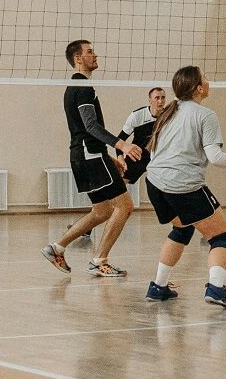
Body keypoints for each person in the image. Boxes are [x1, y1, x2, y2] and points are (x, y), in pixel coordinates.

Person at [141, 66, 226, 308]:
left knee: (182, 229)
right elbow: (215, 157)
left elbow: (154, 151)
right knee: (222, 237)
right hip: (182, 185)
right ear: (198, 88)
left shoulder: (168, 112)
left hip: (154, 183)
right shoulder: (205, 115)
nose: (209, 80)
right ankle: (216, 289)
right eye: (205, 77)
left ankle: (158, 287)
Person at [40, 40, 144, 279]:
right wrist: (121, 145)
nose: (95, 55)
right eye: (89, 52)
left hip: (85, 154)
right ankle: (100, 261)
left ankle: (56, 248)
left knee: (102, 210)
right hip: (90, 155)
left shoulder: (74, 87)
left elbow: (83, 130)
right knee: (125, 206)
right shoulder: (83, 87)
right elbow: (90, 125)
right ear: (78, 58)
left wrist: (109, 157)